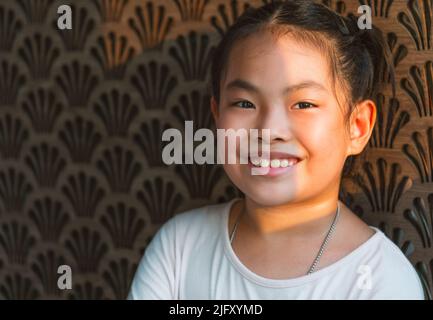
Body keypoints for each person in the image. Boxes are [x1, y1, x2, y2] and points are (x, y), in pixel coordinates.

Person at [128, 0, 425, 299]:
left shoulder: (381, 280)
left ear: (357, 126)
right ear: (217, 116)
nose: (268, 131)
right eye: (244, 103)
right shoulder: (180, 247)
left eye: (303, 104)